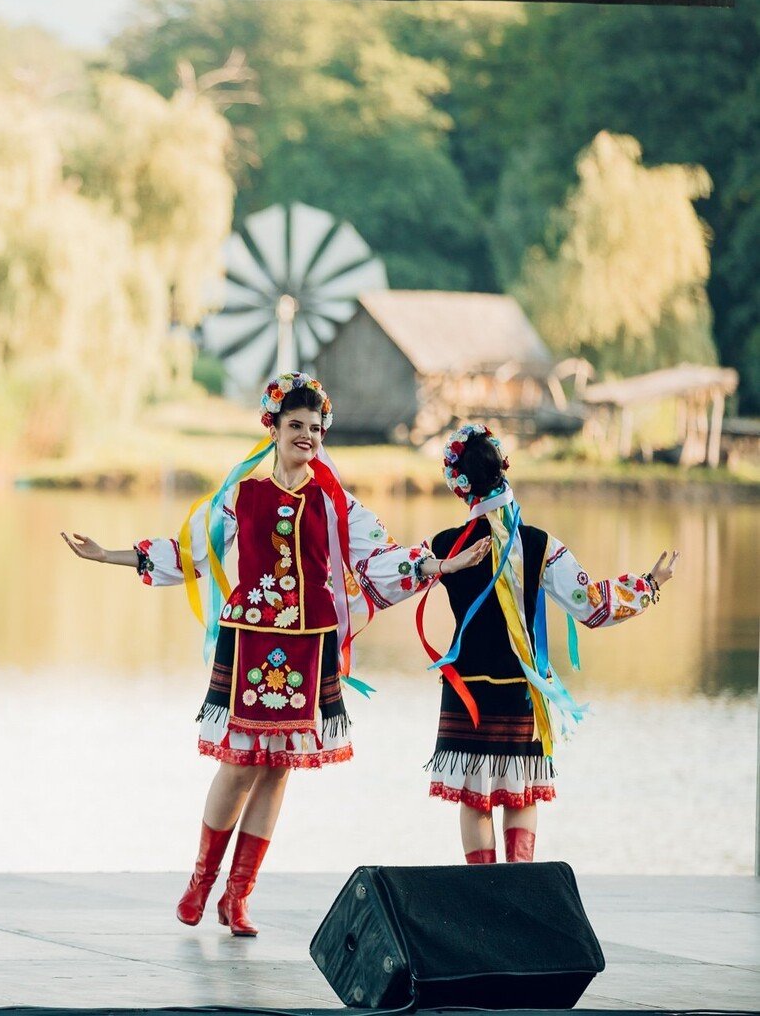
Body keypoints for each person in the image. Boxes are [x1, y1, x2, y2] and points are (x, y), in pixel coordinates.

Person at [62, 372, 488, 936]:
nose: (307, 435)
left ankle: (238, 896)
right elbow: (191, 554)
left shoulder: (336, 503)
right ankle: (201, 881)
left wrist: (441, 565)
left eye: (315, 427)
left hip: (310, 644)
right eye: (296, 425)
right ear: (274, 428)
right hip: (252, 641)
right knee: (240, 763)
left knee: (278, 769)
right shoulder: (242, 496)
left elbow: (382, 559)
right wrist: (110, 556)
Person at [422, 424, 676, 863]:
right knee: (520, 792)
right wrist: (649, 584)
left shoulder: (444, 546)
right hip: (521, 685)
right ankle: (521, 886)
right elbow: (592, 607)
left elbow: (391, 578)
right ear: (503, 470)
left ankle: (485, 890)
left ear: (458, 484)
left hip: (468, 689)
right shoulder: (540, 544)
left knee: (475, 798)